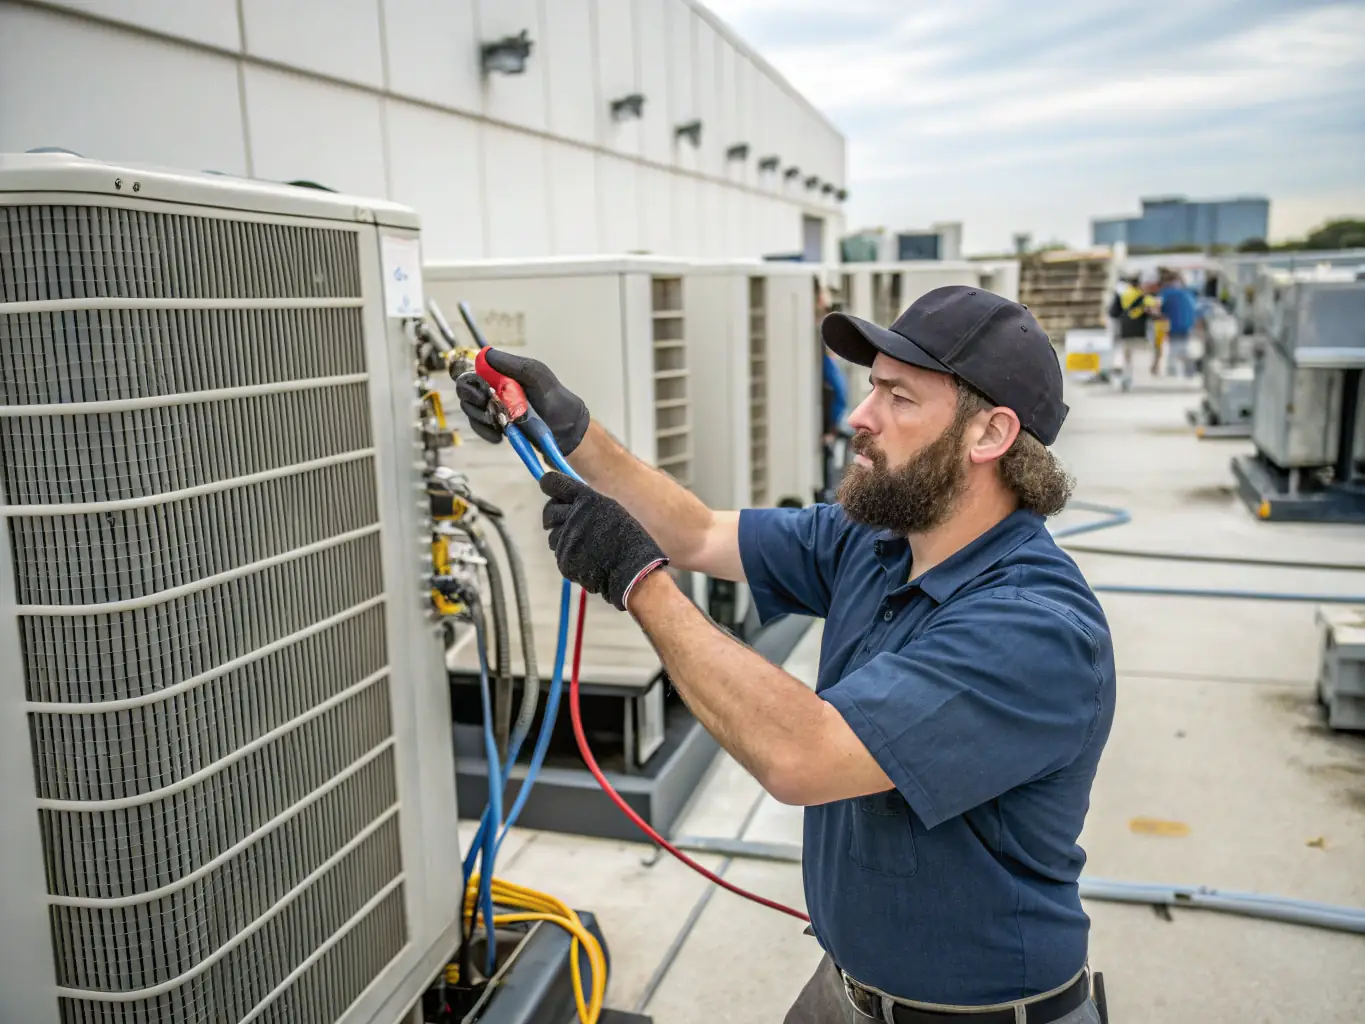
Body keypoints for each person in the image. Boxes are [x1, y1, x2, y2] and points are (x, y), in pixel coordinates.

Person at [457, 285, 1114, 1023]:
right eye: (871, 390)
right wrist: (572, 433)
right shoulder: (877, 541)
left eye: (898, 398)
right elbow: (700, 533)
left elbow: (801, 756)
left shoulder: (1034, 629)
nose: (856, 418)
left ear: (989, 434)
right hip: (844, 989)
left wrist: (638, 583)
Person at [1107, 272, 1153, 390]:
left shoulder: (1122, 294)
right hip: (1140, 331)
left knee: (1126, 356)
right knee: (1138, 356)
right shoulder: (1144, 297)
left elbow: (1113, 313)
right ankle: (1135, 381)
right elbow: (1152, 312)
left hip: (1125, 329)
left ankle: (1125, 379)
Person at [1156, 270, 1200, 378]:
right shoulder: (1188, 292)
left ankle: (1173, 374)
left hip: (1175, 325)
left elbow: (1158, 307)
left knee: (1175, 351)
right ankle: (1189, 372)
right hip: (1187, 325)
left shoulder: (1166, 293)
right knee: (1184, 348)